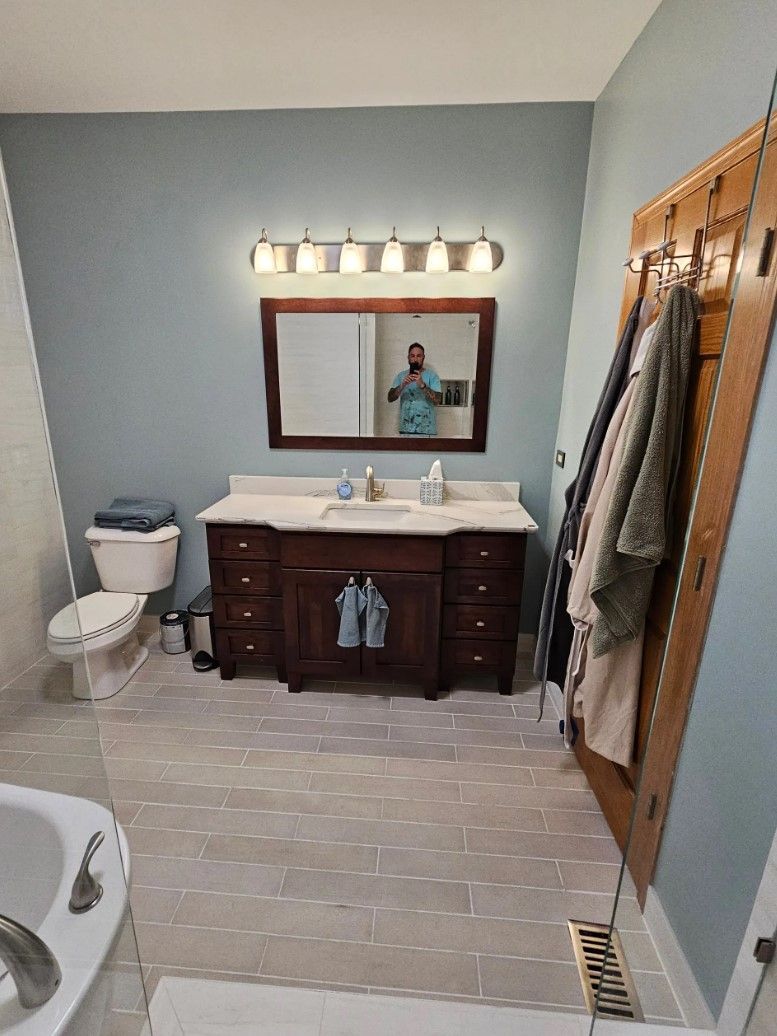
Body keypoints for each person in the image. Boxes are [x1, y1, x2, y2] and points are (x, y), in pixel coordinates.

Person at [387, 343, 442, 435]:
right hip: (405, 429)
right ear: (408, 358)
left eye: (419, 356)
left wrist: (422, 385)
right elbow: (390, 398)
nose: (415, 359)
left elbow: (438, 400)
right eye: (412, 356)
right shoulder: (401, 376)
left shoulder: (432, 376)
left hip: (427, 430)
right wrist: (402, 385)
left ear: (423, 358)